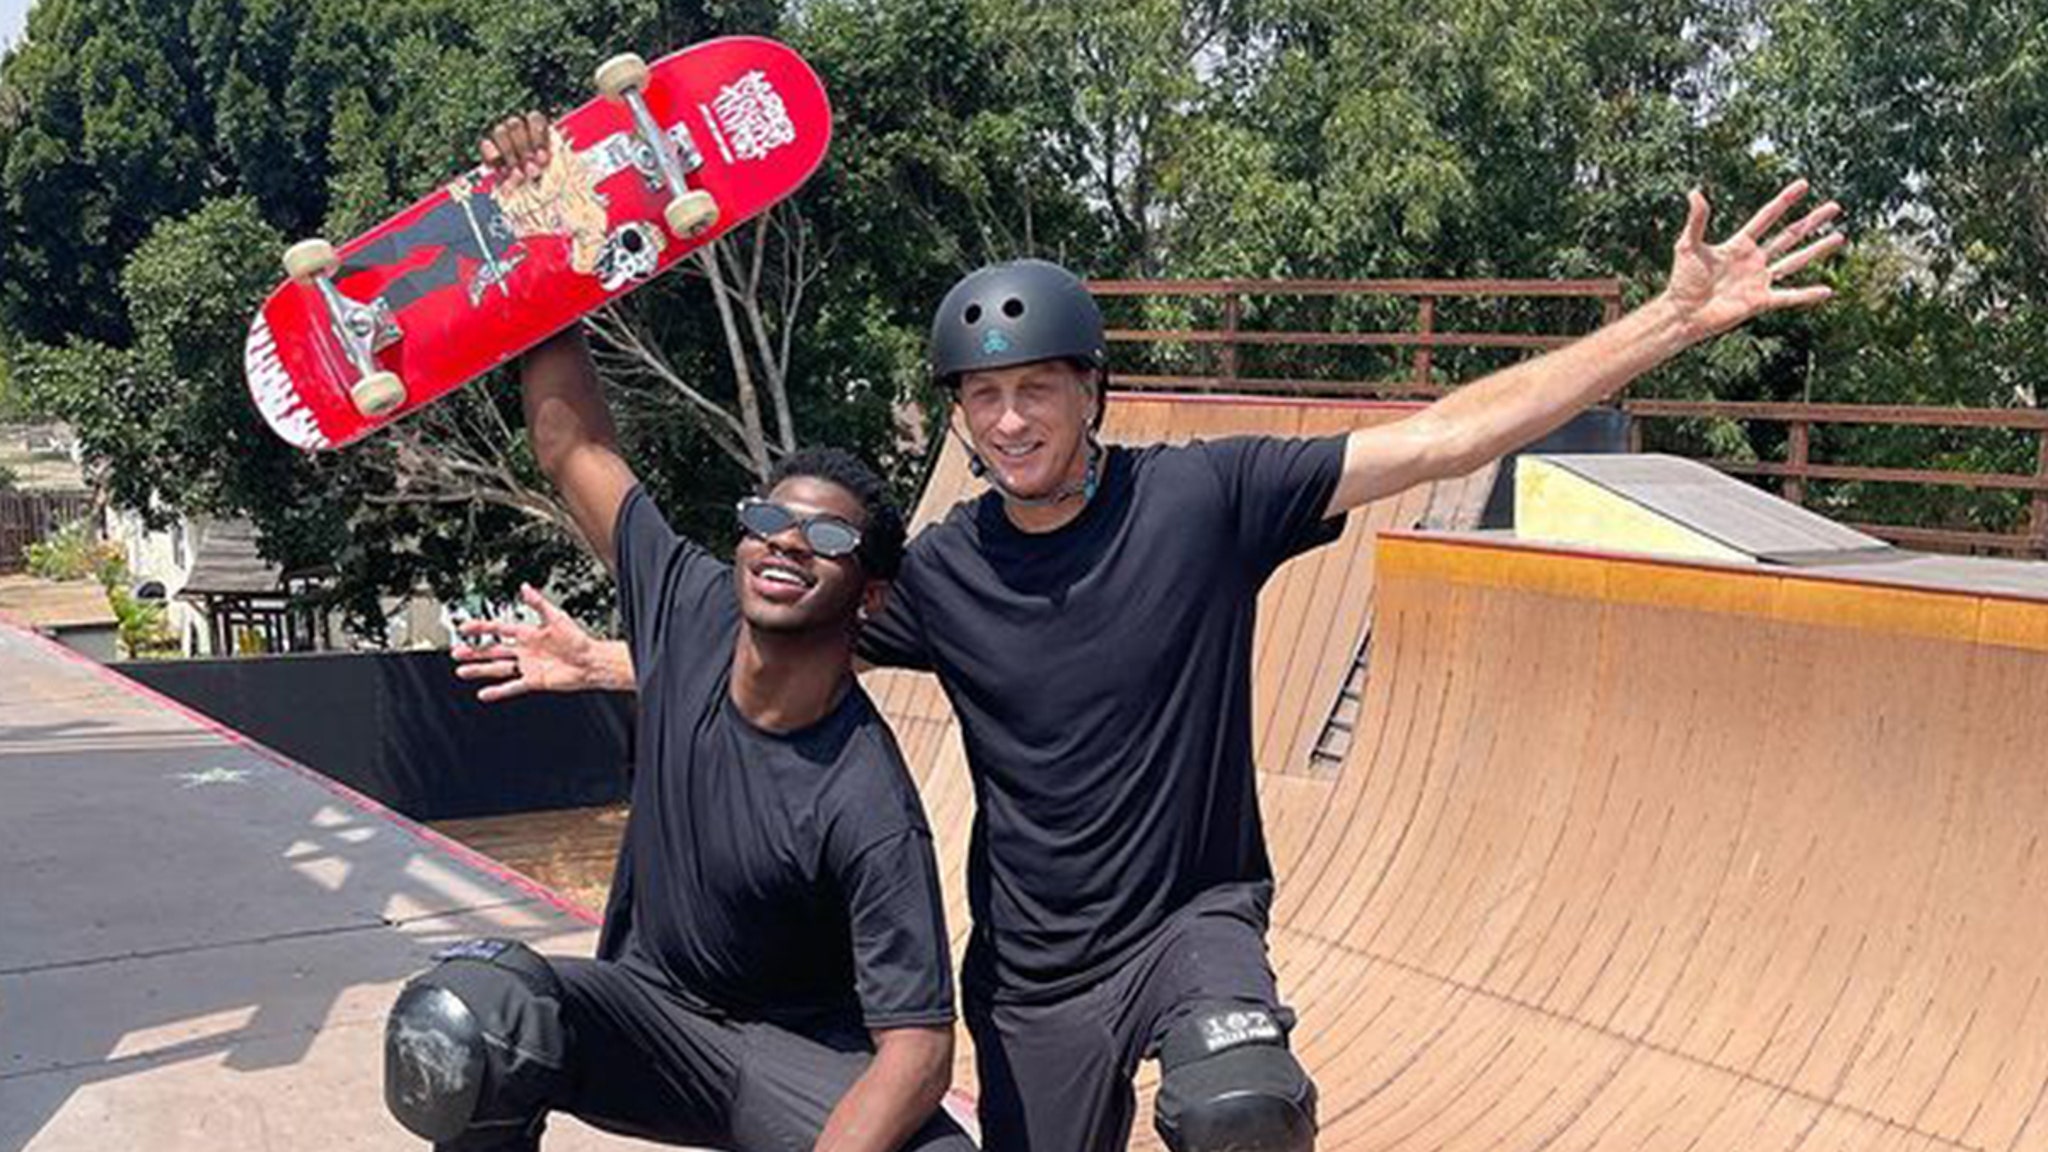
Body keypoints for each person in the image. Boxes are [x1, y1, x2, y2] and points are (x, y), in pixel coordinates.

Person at [458, 170, 1847, 1151]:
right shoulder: (938, 566)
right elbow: (793, 643)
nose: (1006, 424)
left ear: (1091, 391)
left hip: (1192, 922)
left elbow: (1445, 437)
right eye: (983, 401)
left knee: (1241, 1104)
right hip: (1032, 976)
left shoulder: (1207, 500)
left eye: (1035, 392)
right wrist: (615, 664)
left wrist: (1670, 322)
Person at [380, 116, 976, 1152]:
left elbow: (919, 1047)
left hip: (792, 1058)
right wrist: (539, 239)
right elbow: (571, 445)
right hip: (646, 1020)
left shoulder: (865, 800)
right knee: (465, 1020)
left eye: (825, 533)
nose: (784, 542)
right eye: (766, 519)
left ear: (869, 593)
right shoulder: (690, 607)